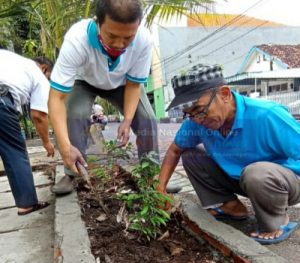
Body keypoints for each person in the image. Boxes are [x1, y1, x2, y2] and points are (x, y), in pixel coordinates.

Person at [157, 64, 300, 244]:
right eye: (190, 114)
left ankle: (277, 221)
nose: (198, 119)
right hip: (243, 180)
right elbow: (174, 150)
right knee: (191, 155)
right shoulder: (197, 121)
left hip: (283, 185)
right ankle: (230, 206)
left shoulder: (267, 115)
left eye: (200, 110)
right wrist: (160, 190)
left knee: (255, 172)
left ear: (224, 94)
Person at [49, 0, 159, 195]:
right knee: (75, 115)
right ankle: (72, 174)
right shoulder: (77, 39)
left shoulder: (143, 40)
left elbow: (134, 86)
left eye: (128, 38)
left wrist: (127, 120)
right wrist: (65, 147)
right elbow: (56, 98)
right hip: (85, 82)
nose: (119, 44)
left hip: (123, 83)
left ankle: (152, 176)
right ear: (97, 22)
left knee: (147, 120)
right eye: (112, 35)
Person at [0, 49, 54, 215]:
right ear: (44, 69)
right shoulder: (38, 75)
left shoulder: (9, 57)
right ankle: (26, 203)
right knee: (14, 151)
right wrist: (46, 142)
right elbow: (38, 115)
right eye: (49, 77)